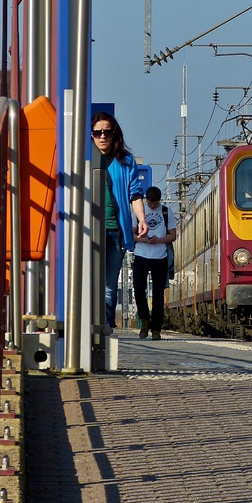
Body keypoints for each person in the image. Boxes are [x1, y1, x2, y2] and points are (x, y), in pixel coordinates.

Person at [91, 112, 147, 330]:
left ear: (115, 135)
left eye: (107, 132)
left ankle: (105, 329)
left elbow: (135, 193)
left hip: (115, 230)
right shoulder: (82, 158)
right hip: (88, 230)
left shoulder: (126, 162)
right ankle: (86, 327)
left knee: (108, 285)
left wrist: (141, 219)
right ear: (91, 135)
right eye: (98, 132)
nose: (103, 136)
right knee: (86, 281)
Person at [132, 185, 176, 341]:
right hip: (141, 255)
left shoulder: (166, 212)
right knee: (138, 289)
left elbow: (173, 236)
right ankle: (144, 320)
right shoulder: (139, 212)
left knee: (158, 295)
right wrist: (142, 239)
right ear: (146, 200)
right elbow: (132, 234)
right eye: (150, 203)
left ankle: (156, 329)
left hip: (160, 257)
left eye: (155, 203)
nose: (152, 206)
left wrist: (159, 240)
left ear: (159, 200)